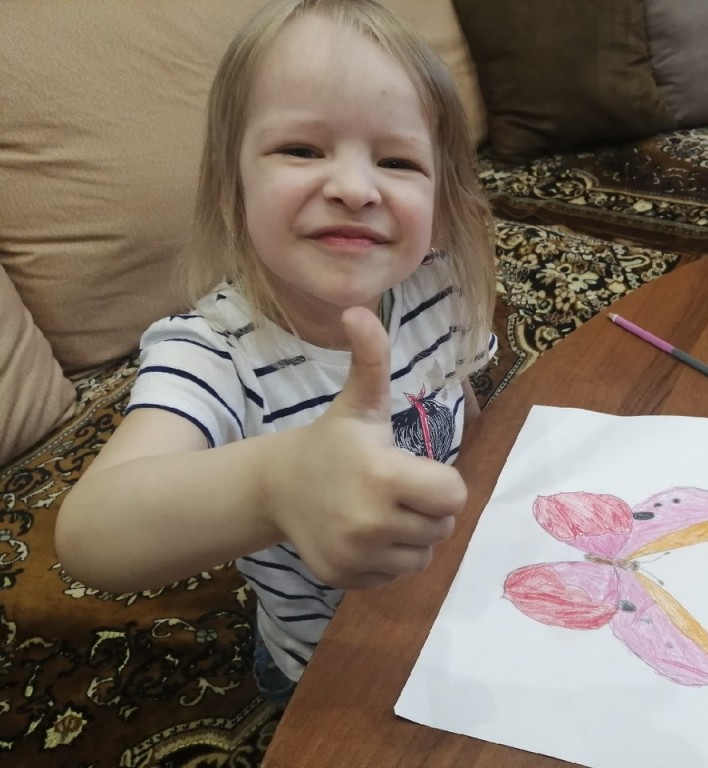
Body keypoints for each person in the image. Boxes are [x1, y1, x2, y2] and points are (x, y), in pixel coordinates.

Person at [55, 0, 496, 705]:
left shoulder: (436, 285)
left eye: (398, 160)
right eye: (302, 150)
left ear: (441, 197)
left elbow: (457, 393)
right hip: (325, 666)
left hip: (443, 608)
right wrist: (277, 482)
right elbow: (90, 535)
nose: (354, 188)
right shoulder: (210, 354)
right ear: (232, 185)